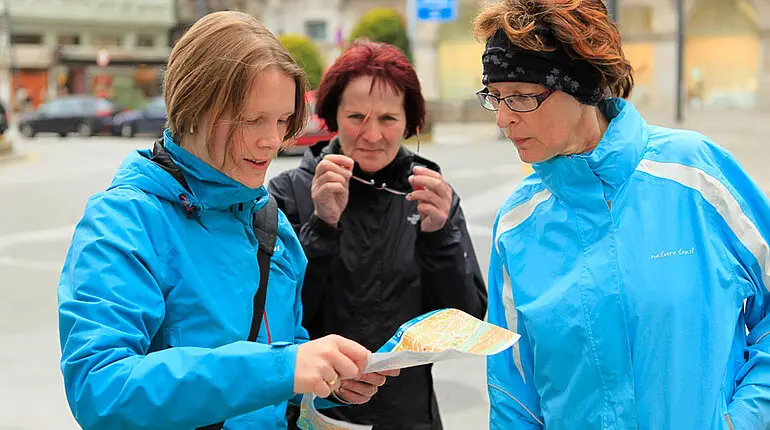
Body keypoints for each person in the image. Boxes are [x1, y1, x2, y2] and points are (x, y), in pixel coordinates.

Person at [57, 12, 397, 430]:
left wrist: (327, 380)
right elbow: (100, 389)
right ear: (193, 107)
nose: (271, 141)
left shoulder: (271, 222)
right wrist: (283, 368)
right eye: (252, 120)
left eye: (281, 121)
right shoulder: (125, 220)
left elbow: (282, 360)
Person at [474, 1, 770, 429]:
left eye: (521, 96)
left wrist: (744, 419)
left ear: (581, 87)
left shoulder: (696, 175)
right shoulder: (516, 224)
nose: (503, 119)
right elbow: (512, 391)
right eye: (495, 97)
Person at [269, 40, 488, 429]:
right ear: (332, 116)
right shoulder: (290, 193)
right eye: (356, 117)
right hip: (310, 414)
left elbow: (464, 321)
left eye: (388, 119)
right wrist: (321, 225)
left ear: (410, 123)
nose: (372, 135)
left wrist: (439, 238)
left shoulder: (430, 197)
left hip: (408, 415)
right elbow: (273, 320)